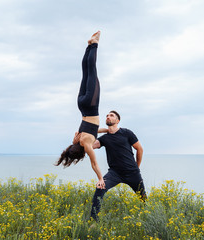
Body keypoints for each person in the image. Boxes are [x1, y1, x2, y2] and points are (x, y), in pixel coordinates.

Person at [55, 31, 105, 189]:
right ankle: (89, 46)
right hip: (81, 105)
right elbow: (95, 128)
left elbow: (94, 163)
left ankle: (95, 43)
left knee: (92, 71)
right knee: (85, 73)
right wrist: (107, 131)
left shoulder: (87, 145)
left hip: (91, 105)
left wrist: (100, 178)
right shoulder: (78, 137)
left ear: (81, 153)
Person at [90, 110, 147, 220]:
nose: (108, 117)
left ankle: (147, 217)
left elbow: (139, 149)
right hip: (114, 173)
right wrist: (100, 131)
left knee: (143, 198)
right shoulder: (104, 138)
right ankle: (93, 220)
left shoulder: (127, 133)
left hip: (132, 172)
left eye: (111, 115)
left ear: (118, 120)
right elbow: (90, 146)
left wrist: (136, 167)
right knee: (100, 188)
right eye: (107, 116)